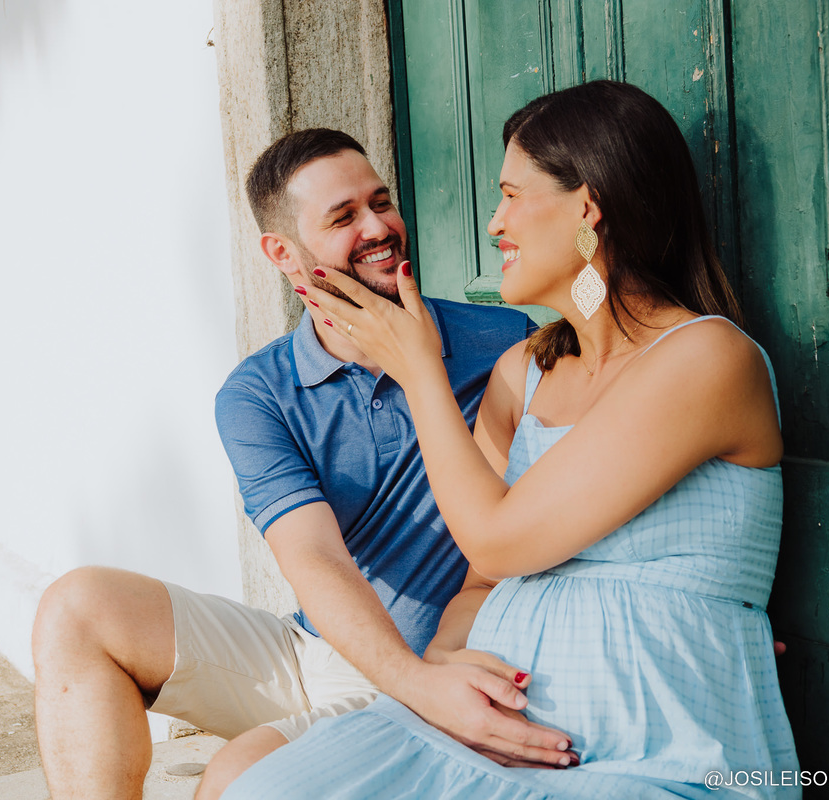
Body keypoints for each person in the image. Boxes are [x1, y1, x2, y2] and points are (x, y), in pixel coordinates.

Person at [222, 81, 800, 799]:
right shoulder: (522, 371)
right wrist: (444, 670)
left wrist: (418, 369)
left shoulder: (706, 358)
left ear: (587, 208)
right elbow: (481, 577)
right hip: (484, 732)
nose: (494, 223)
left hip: (648, 747)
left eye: (512, 194)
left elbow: (499, 539)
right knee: (259, 789)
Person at [29, 128, 584, 800]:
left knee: (237, 779)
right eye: (344, 217)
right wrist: (413, 684)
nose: (380, 227)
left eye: (382, 202)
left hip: (445, 663)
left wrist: (423, 683)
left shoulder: (503, 344)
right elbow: (312, 558)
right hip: (320, 652)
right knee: (75, 610)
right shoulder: (258, 392)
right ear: (283, 254)